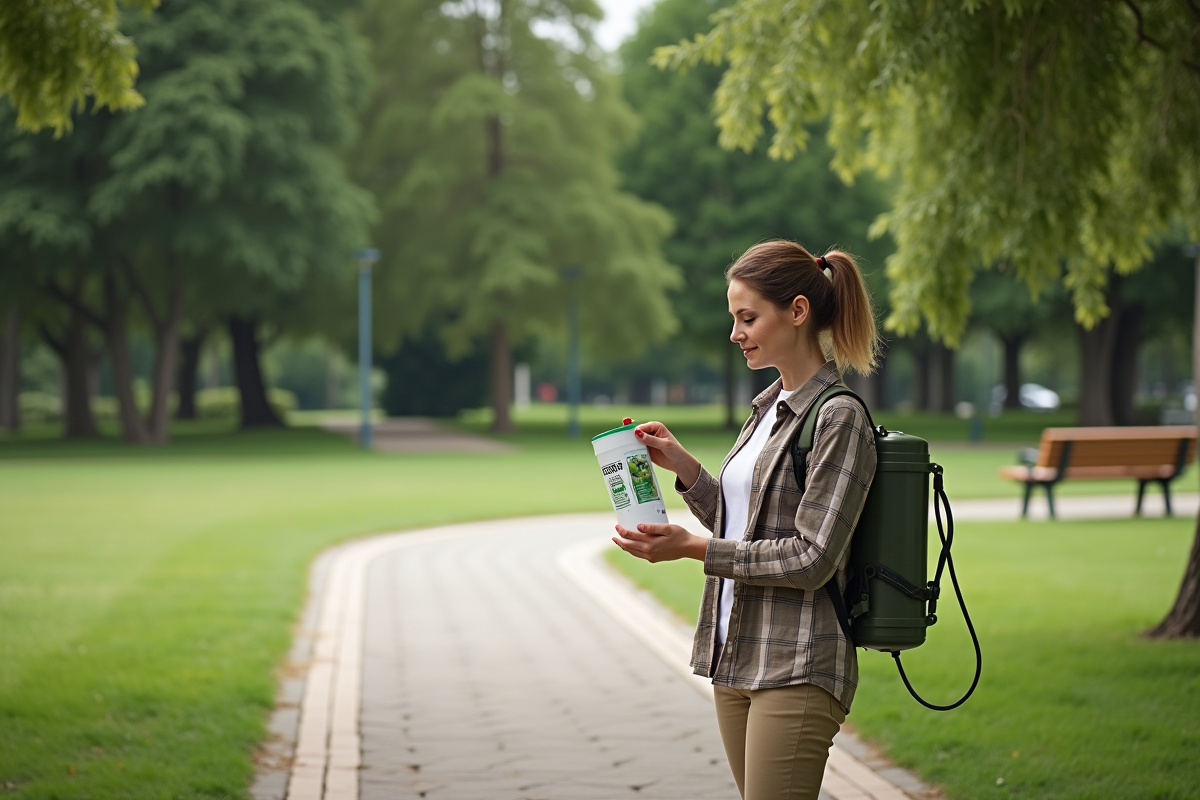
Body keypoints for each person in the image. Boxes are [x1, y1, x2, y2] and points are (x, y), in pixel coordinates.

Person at [612, 239, 880, 800]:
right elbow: (746, 523)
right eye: (734, 318)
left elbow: (812, 557)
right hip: (736, 654)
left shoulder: (838, 417)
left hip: (798, 661)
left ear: (799, 312)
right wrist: (684, 468)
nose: (735, 333)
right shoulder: (767, 408)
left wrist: (692, 548)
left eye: (748, 317)